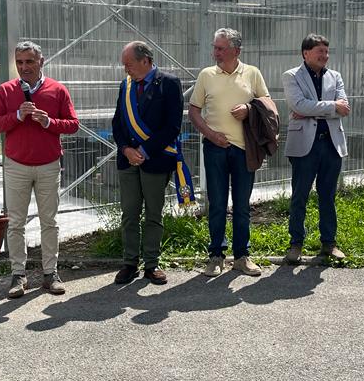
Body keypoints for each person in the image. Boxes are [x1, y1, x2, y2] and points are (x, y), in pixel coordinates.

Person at [0, 41, 80, 299]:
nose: (24, 67)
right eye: (19, 62)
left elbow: (73, 124)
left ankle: (51, 274)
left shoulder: (57, 90)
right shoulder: (6, 90)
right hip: (17, 165)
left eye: (29, 61)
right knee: (16, 223)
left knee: (49, 221)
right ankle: (18, 275)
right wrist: (17, 116)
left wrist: (49, 122)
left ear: (41, 61)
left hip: (49, 165)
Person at [189, 27, 270, 278]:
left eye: (221, 48)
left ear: (236, 50)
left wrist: (249, 108)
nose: (215, 53)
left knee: (242, 206)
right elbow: (194, 111)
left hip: (245, 149)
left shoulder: (252, 73)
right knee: (217, 204)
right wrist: (211, 134)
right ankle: (216, 256)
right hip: (215, 148)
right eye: (215, 47)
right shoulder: (206, 75)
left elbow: (268, 105)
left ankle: (242, 257)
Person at [111, 41, 187, 285]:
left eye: (129, 64)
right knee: (129, 213)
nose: (126, 69)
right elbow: (117, 123)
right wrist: (126, 149)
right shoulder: (126, 85)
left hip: (155, 158)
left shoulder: (169, 83)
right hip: (128, 160)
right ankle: (129, 263)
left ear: (145, 60)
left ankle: (152, 263)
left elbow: (172, 126)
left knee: (154, 213)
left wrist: (143, 150)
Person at [281, 33, 349, 264]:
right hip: (304, 145)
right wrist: (332, 107)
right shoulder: (292, 76)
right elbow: (298, 105)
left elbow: (345, 107)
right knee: (299, 195)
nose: (325, 56)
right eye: (320, 51)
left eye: (327, 52)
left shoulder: (335, 76)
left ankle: (329, 243)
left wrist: (312, 110)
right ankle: (296, 244)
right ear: (306, 53)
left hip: (331, 144)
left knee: (328, 196)